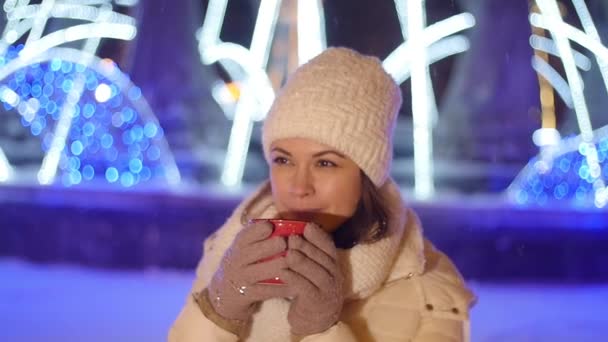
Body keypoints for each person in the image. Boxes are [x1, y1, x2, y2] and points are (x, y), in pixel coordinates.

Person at [169, 47, 476, 341]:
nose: (299, 186)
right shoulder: (228, 252)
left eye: (325, 163)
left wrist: (320, 329)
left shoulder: (430, 290)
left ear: (366, 175)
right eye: (283, 159)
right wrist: (219, 311)